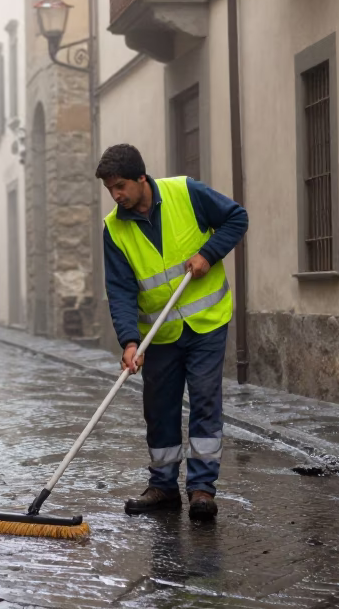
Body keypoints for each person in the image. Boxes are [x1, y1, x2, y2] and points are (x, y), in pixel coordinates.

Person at [96, 143, 248, 520]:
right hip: (159, 334)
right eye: (109, 189)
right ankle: (163, 487)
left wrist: (207, 254)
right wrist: (130, 341)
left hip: (206, 323)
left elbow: (236, 219)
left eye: (119, 186)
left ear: (140, 178)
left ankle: (201, 489)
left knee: (204, 401)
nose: (115, 196)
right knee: (159, 410)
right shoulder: (114, 228)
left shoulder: (187, 193)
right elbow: (120, 289)